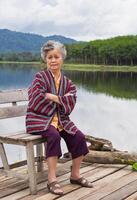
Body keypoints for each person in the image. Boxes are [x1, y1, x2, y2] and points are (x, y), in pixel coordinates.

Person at [26, 40, 93, 195]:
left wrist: (53, 97)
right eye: (50, 57)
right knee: (54, 136)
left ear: (62, 59)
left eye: (56, 57)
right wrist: (61, 98)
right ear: (45, 60)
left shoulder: (67, 82)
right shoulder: (40, 77)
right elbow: (36, 97)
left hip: (61, 120)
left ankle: (75, 175)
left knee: (79, 137)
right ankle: (52, 180)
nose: (53, 60)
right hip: (39, 120)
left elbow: (72, 99)